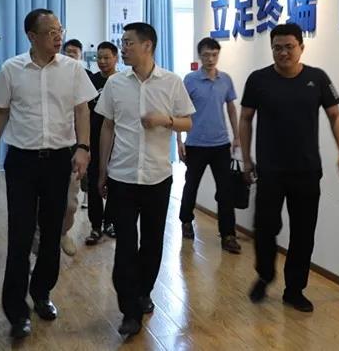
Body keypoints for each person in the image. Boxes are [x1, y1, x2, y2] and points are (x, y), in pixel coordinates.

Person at [0, 9, 96, 339]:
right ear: (32, 36)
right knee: (19, 234)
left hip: (59, 160)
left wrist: (83, 147)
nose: (58, 37)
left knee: (51, 232)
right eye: (50, 32)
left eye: (60, 30)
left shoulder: (73, 69)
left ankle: (42, 292)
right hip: (21, 161)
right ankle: (16, 311)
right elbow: (0, 112)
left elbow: (82, 110)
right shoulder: (12, 69)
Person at [239, 23, 339, 313]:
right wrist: (246, 159)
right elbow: (245, 119)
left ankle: (294, 289)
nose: (283, 53)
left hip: (306, 170)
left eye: (289, 47)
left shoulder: (317, 78)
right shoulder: (259, 80)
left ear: (301, 47)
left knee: (303, 233)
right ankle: (265, 274)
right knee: (265, 227)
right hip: (270, 171)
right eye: (277, 47)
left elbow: (335, 115)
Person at [95, 22, 195, 336]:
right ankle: (130, 311)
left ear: (147, 45)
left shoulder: (171, 82)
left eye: (128, 43)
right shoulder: (115, 84)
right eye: (122, 42)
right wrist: (102, 171)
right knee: (125, 245)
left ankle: (142, 293)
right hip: (122, 176)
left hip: (157, 177)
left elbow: (188, 122)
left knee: (152, 244)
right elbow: (107, 127)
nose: (122, 48)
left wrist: (165, 120)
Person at [177, 37, 241, 254]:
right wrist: (180, 141)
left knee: (226, 191)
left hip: (221, 144)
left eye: (214, 54)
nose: (210, 59)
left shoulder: (225, 80)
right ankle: (186, 220)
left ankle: (228, 234)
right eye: (206, 55)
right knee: (191, 186)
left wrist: (237, 136)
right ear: (200, 56)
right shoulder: (190, 80)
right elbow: (180, 111)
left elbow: (231, 108)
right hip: (196, 144)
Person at [56, 38, 89, 256]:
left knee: (70, 202)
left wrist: (85, 147)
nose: (70, 56)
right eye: (67, 52)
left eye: (74, 52)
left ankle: (63, 232)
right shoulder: (54, 75)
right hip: (51, 146)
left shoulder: (82, 76)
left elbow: (85, 113)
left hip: (74, 147)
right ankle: (39, 241)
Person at [84, 41, 119, 245]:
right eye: (99, 57)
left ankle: (110, 222)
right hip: (93, 142)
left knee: (115, 183)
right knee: (94, 182)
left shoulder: (122, 81)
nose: (102, 61)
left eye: (107, 57)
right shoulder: (91, 81)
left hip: (118, 143)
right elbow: (83, 112)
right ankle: (96, 226)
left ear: (116, 58)